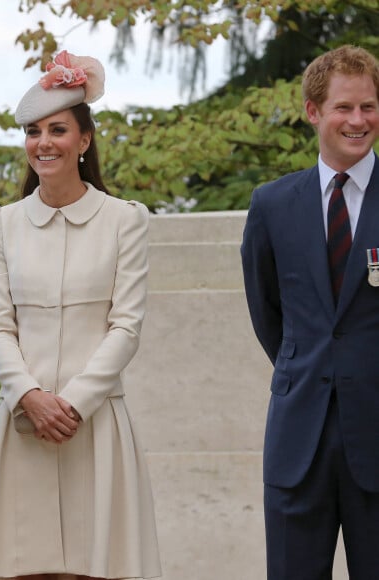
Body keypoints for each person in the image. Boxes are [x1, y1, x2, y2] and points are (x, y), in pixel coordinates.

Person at [0, 50, 161, 580]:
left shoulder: (126, 221)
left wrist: (71, 404)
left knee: (98, 567)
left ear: (84, 140)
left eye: (57, 129)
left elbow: (126, 325)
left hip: (94, 425)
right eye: (33, 131)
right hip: (22, 421)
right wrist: (29, 396)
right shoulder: (1, 224)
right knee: (22, 567)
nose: (43, 143)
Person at [241, 45, 379, 579]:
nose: (358, 120)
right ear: (314, 112)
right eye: (344, 108)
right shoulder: (272, 205)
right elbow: (267, 309)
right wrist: (308, 368)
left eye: (368, 107)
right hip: (300, 441)